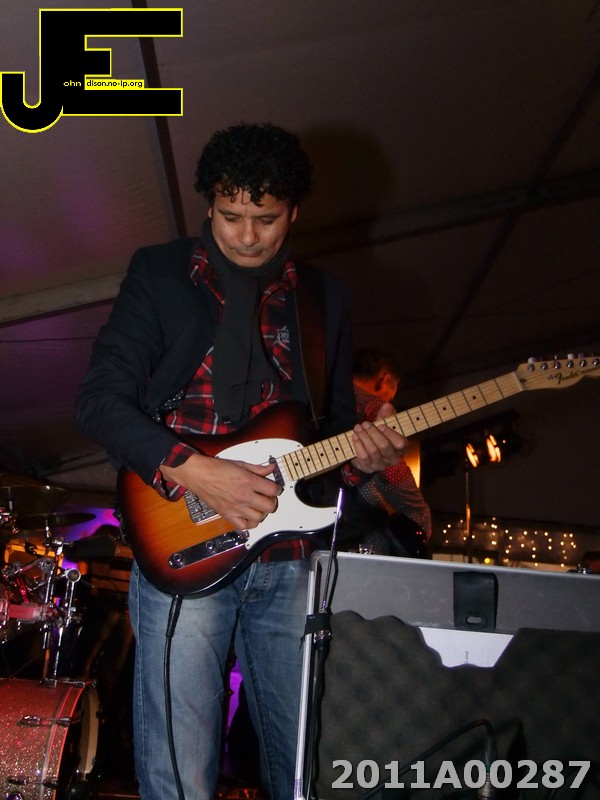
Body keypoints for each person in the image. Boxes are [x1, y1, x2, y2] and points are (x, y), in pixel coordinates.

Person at [75, 123, 407, 800]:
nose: (248, 236)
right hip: (184, 535)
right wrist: (194, 468)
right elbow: (100, 402)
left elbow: (327, 435)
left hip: (289, 558)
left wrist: (366, 458)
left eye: (266, 219)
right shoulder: (160, 273)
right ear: (209, 204)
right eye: (231, 216)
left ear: (295, 212)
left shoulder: (324, 297)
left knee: (304, 770)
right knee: (182, 775)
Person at [341, 347, 432, 556]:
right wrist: (421, 518)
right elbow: (404, 493)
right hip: (356, 550)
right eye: (390, 395)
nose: (389, 403)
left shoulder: (324, 397)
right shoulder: (375, 408)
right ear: (384, 379)